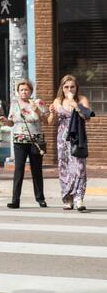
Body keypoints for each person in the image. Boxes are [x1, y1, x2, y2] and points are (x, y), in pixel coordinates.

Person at [0, 78, 47, 209]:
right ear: (18, 92)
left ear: (31, 91)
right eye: (21, 90)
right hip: (19, 140)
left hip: (36, 140)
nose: (24, 92)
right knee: (18, 170)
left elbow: (45, 120)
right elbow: (11, 122)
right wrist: (5, 121)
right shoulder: (15, 104)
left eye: (26, 89)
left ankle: (40, 198)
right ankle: (15, 200)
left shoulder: (38, 102)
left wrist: (36, 110)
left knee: (36, 170)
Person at [48, 74, 93, 211]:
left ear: (76, 88)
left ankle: (79, 199)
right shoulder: (57, 100)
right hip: (62, 139)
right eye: (66, 87)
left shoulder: (82, 99)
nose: (69, 89)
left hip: (77, 137)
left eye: (72, 87)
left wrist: (75, 104)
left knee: (79, 167)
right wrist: (52, 113)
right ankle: (68, 198)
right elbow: (51, 122)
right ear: (62, 88)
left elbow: (87, 117)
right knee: (64, 168)